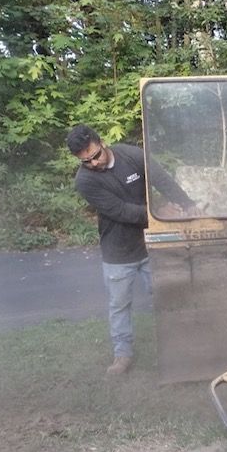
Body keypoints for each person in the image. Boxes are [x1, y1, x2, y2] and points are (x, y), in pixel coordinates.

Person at [66, 124, 196, 375]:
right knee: (119, 304)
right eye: (86, 161)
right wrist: (159, 214)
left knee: (166, 296)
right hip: (118, 250)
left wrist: (188, 206)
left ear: (102, 142)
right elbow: (120, 211)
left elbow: (163, 181)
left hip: (150, 245)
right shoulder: (85, 181)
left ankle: (179, 346)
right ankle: (122, 355)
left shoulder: (131, 155)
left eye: (95, 156)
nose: (93, 164)